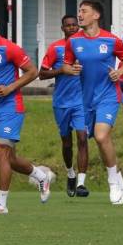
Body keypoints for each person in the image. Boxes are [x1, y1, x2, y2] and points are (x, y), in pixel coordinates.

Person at [0, 8, 52, 215]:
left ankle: (1, 203)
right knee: (9, 159)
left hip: (11, 107)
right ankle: (41, 176)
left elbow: (33, 72)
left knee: (0, 152)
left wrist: (10, 88)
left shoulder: (9, 48)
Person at [61, 0, 123, 205]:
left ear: (96, 15)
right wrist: (70, 69)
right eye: (79, 11)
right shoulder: (73, 41)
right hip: (85, 100)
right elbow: (65, 65)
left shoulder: (112, 40)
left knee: (101, 137)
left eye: (84, 11)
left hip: (108, 96)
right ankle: (120, 181)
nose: (79, 15)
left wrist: (119, 72)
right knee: (100, 142)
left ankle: (113, 184)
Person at [39, 15, 90, 197]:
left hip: (81, 102)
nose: (71, 28)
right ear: (63, 28)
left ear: (79, 26)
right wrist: (61, 70)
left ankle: (82, 183)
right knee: (67, 143)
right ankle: (70, 173)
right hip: (61, 102)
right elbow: (42, 73)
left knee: (82, 138)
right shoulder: (56, 48)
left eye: (74, 25)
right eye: (68, 25)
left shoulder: (87, 46)